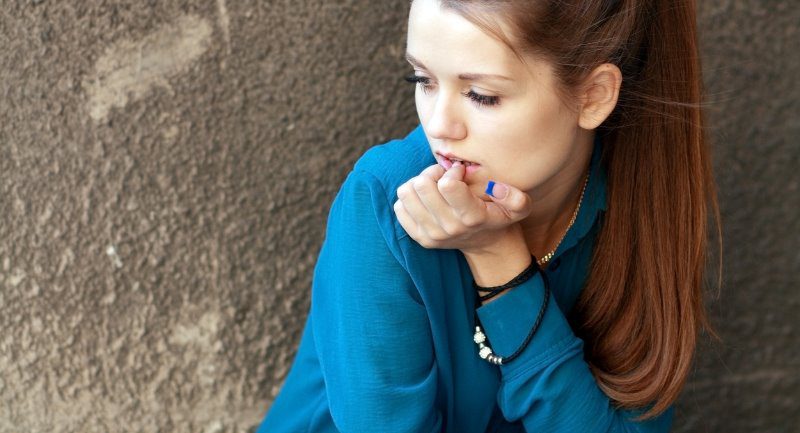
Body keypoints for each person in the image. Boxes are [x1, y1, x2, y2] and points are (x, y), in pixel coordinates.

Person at [256, 0, 722, 431]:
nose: (438, 126)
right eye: (423, 80)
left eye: (481, 95)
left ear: (594, 95)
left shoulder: (644, 202)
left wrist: (499, 262)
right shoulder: (387, 199)